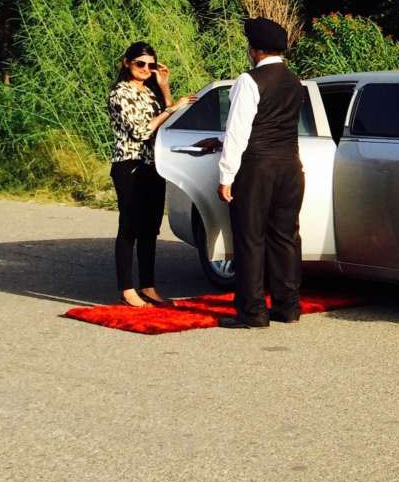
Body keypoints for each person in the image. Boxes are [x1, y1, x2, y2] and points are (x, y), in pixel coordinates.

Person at [216, 17, 305, 329]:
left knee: (250, 237)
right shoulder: (296, 81)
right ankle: (288, 306)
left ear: (254, 49)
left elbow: (237, 131)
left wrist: (226, 175)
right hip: (291, 165)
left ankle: (253, 311)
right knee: (285, 236)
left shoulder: (249, 80)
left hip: (257, 166)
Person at [107, 42, 195, 307]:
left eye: (151, 65)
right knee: (129, 227)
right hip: (129, 164)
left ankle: (148, 286)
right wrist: (170, 109)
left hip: (152, 165)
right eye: (140, 64)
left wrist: (165, 87)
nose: (146, 69)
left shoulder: (150, 92)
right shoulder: (119, 93)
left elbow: (168, 123)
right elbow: (141, 131)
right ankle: (126, 288)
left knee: (149, 229)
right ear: (127, 63)